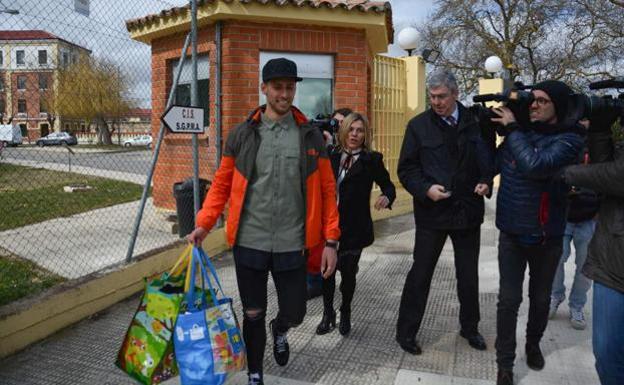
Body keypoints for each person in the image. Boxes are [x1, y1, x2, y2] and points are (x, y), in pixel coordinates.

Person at [186, 57, 340, 385]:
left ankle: (280, 329)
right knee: (252, 312)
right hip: (250, 240)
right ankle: (255, 372)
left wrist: (330, 241)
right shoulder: (243, 135)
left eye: (289, 87)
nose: (284, 94)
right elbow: (222, 183)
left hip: (294, 241)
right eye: (277, 87)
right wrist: (204, 222)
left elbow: (327, 191)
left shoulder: (311, 136)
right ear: (264, 89)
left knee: (296, 311)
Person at [489, 80, 584, 385]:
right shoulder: (519, 133)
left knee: (540, 299)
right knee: (508, 300)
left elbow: (535, 165)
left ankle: (532, 344)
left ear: (557, 105)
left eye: (543, 101)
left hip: (547, 235)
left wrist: (514, 130)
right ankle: (504, 363)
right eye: (533, 100)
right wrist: (485, 129)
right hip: (512, 233)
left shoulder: (569, 140)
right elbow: (490, 164)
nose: (535, 105)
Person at [396, 69, 493, 356]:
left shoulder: (477, 122)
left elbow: (490, 159)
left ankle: (470, 327)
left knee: (468, 275)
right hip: (432, 214)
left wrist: (486, 180)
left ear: (455, 94)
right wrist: (426, 189)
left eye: (441, 96)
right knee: (420, 274)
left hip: (467, 212)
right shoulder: (418, 126)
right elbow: (407, 169)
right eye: (432, 97)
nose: (436, 102)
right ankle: (406, 332)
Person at [315, 112, 396, 336]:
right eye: (351, 129)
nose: (354, 134)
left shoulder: (373, 160)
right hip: (328, 226)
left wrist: (386, 197)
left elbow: (389, 186)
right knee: (326, 274)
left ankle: (346, 310)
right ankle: (327, 313)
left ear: (365, 134)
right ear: (343, 131)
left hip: (354, 229)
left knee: (348, 276)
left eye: (359, 130)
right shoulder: (330, 154)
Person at [562, 117, 624, 385]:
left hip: (589, 219)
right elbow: (605, 170)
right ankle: (558, 298)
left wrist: (565, 172)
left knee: (581, 271)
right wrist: (600, 129)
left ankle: (575, 305)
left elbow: (616, 176)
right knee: (607, 355)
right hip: (613, 262)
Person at [549, 150, 599, 330]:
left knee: (585, 266)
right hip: (564, 215)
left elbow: (607, 178)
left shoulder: (600, 143)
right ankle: (555, 295)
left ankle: (577, 305)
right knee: (555, 259)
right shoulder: (567, 140)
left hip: (589, 217)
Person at [308, 107, 354, 300]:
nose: (338, 128)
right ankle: (316, 282)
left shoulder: (354, 150)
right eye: (335, 123)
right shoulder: (324, 147)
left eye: (342, 124)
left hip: (345, 214)